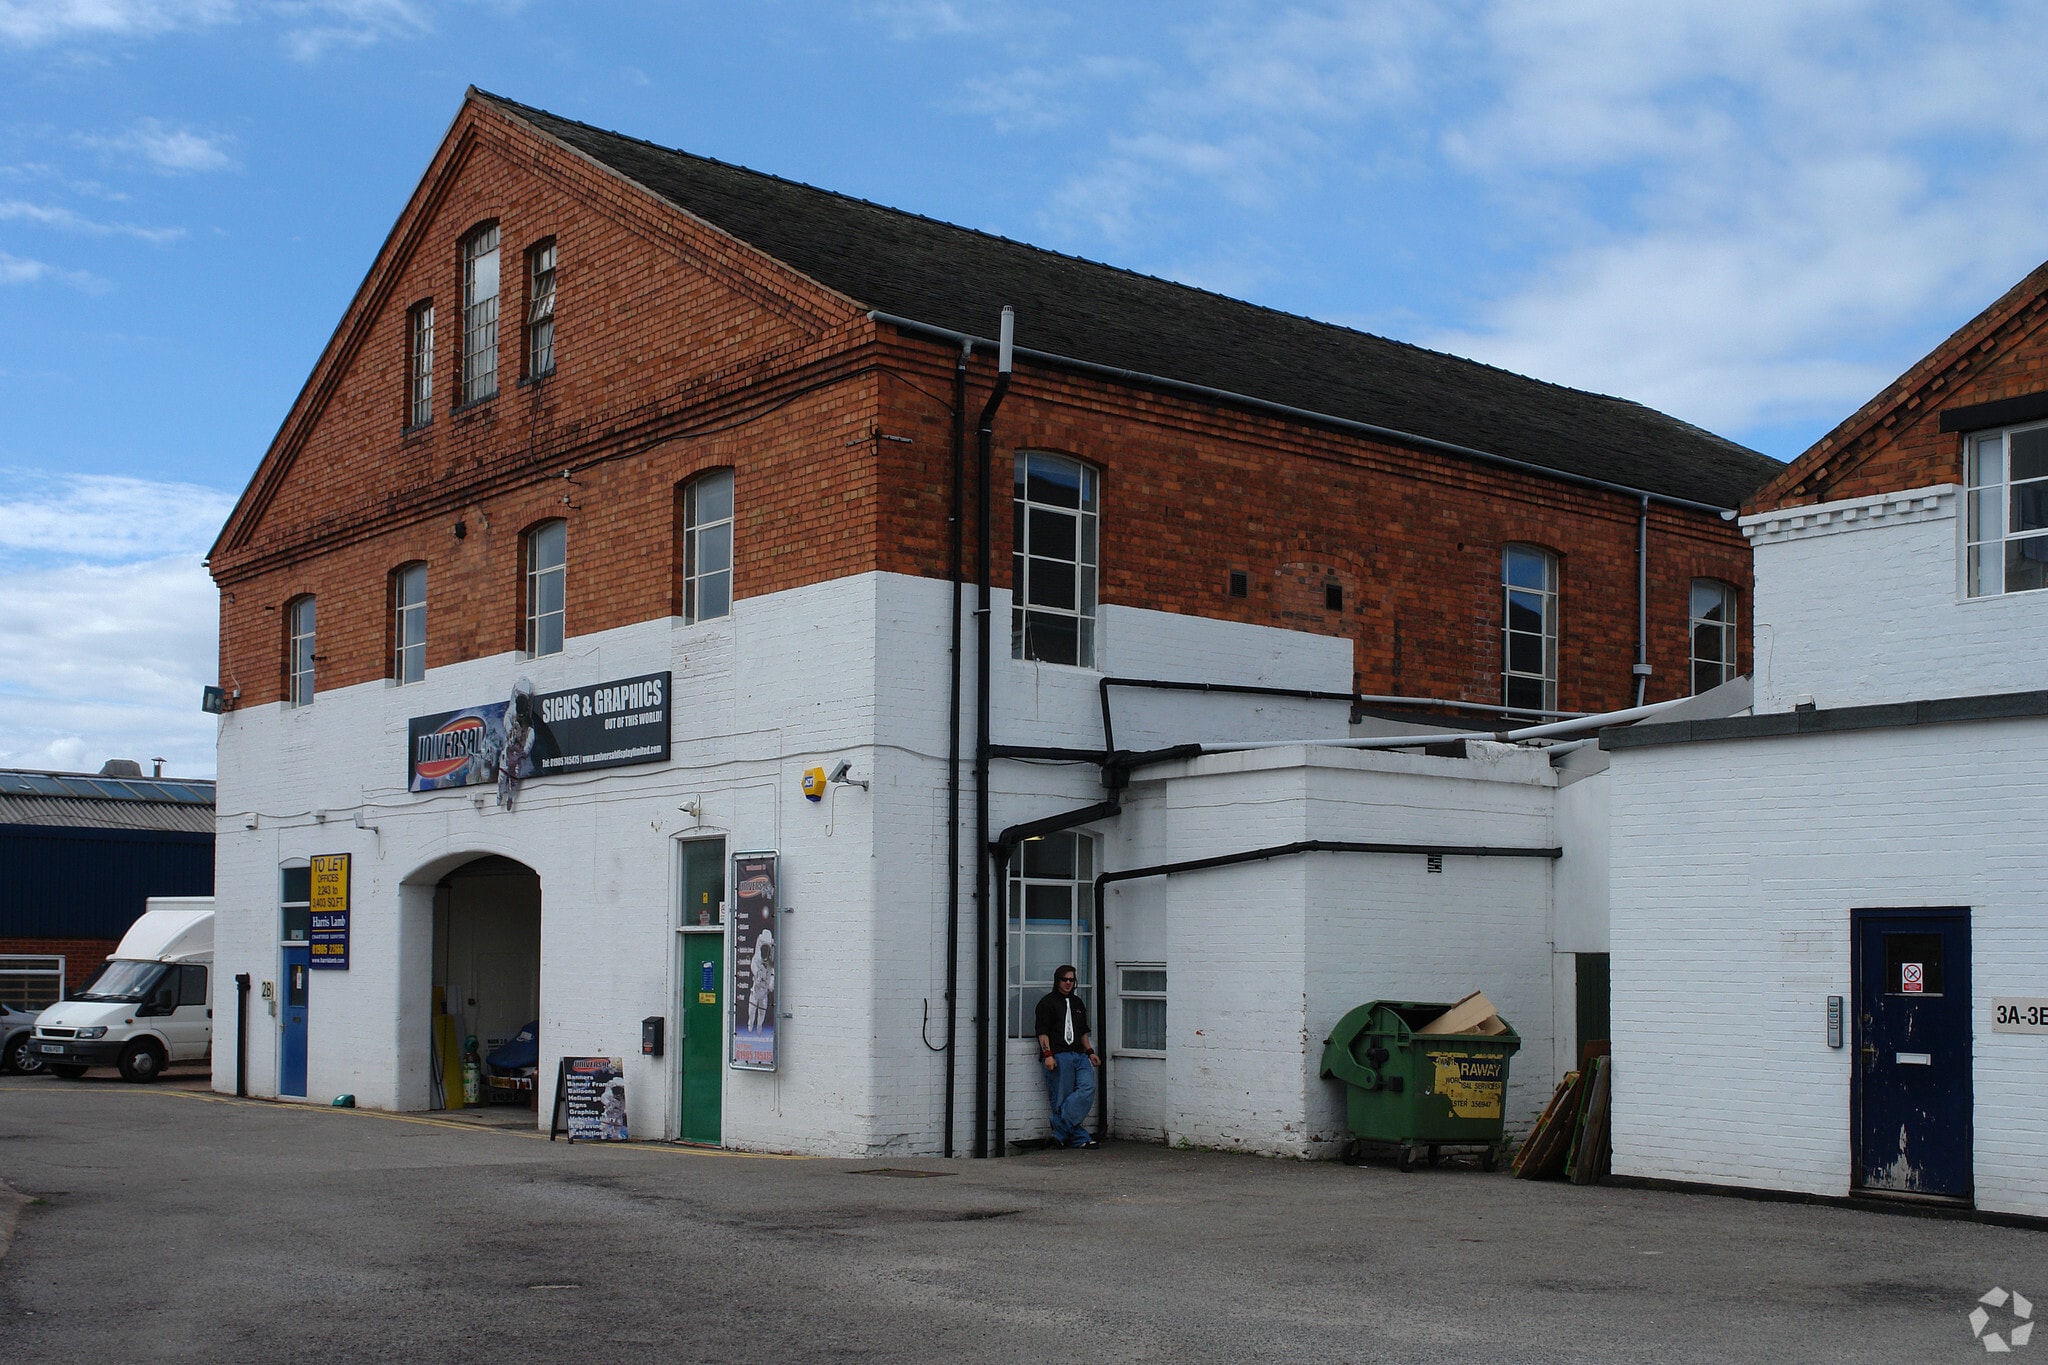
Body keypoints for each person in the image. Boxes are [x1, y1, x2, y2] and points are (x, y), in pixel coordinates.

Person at [1034, 965, 1100, 1149]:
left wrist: (1090, 1052)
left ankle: (1060, 1131)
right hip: (1059, 1055)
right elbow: (1042, 1032)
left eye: (1072, 980)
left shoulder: (1078, 1003)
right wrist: (1048, 1055)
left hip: (1079, 1054)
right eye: (1065, 979)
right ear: (1058, 981)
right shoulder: (1047, 1003)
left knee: (1087, 1088)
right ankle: (1080, 1139)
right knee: (1061, 1097)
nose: (1069, 983)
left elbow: (1083, 1031)